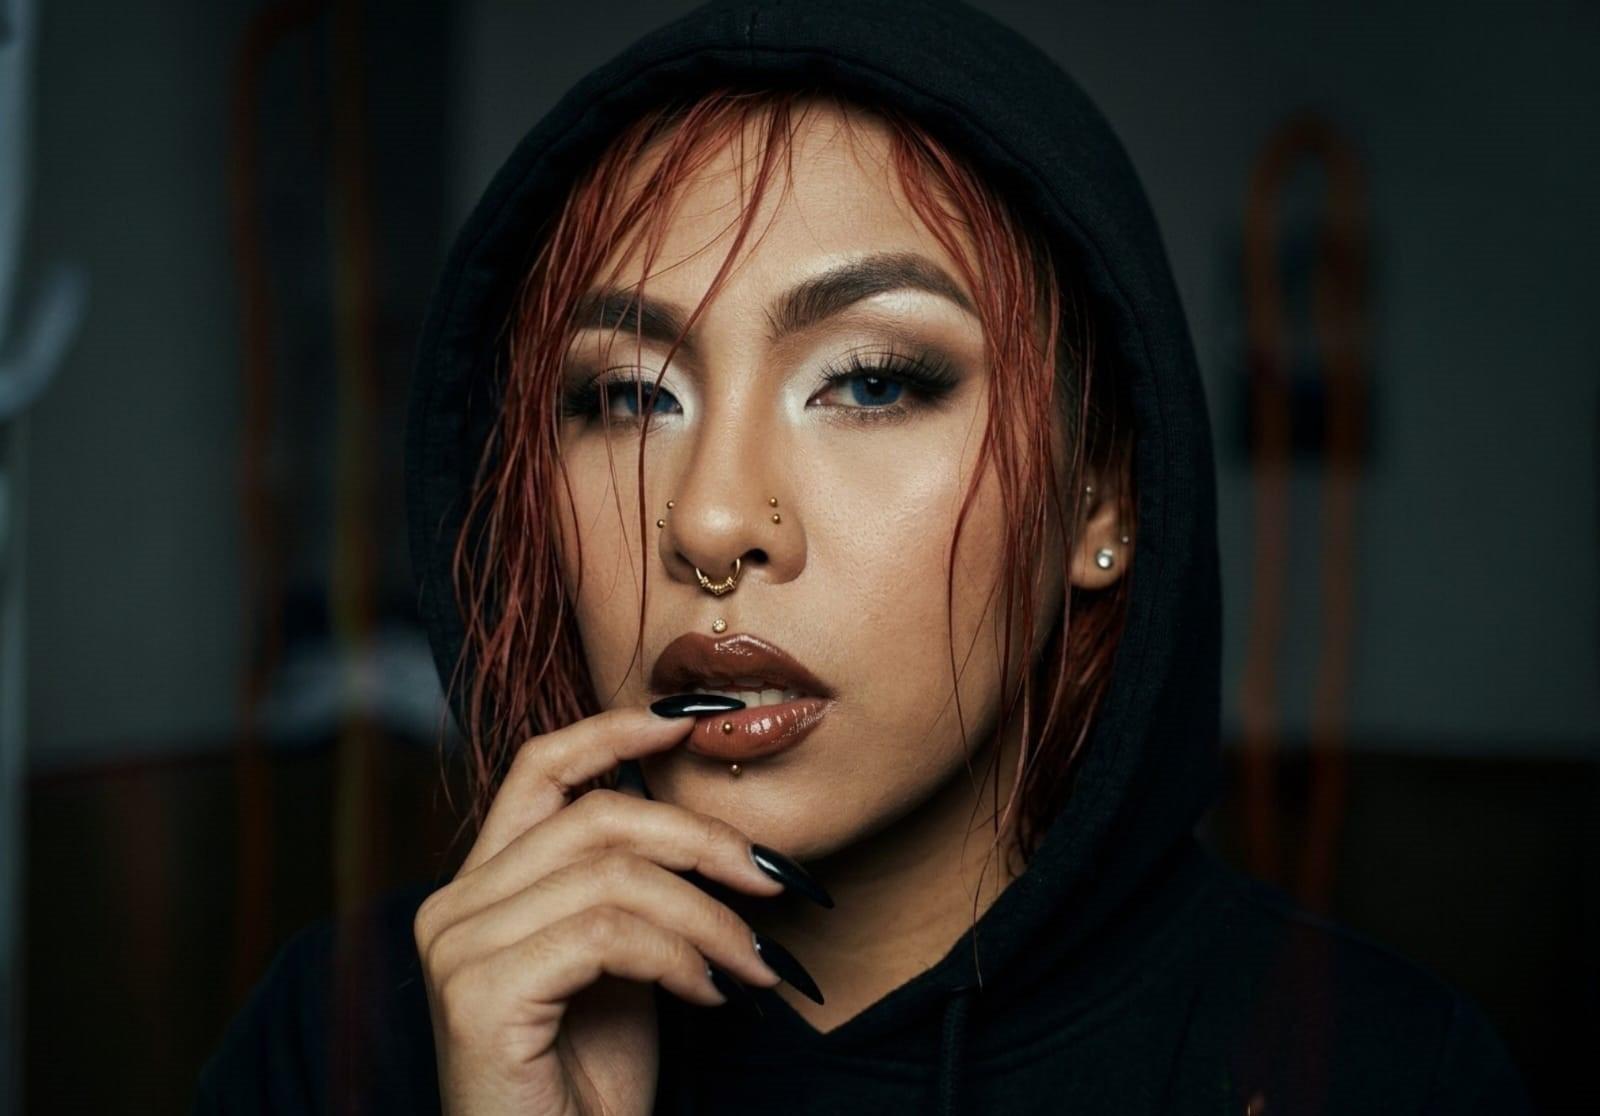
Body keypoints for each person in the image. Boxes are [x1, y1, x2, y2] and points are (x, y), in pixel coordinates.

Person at [193, 1, 1533, 1112]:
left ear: (1102, 504)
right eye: (628, 396)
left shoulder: (1375, 1071)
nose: (711, 521)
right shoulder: (343, 1042)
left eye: (875, 381)